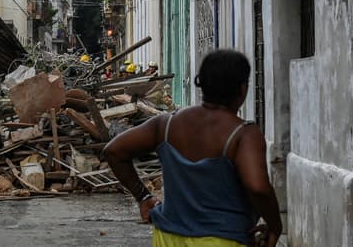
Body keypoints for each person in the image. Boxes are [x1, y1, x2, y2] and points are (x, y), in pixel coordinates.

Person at [104, 50, 282, 247]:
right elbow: (258, 188)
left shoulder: (166, 125)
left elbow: (114, 150)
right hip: (222, 240)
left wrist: (143, 196)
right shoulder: (243, 134)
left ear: (200, 83)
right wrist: (275, 226)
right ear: (242, 89)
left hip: (167, 237)